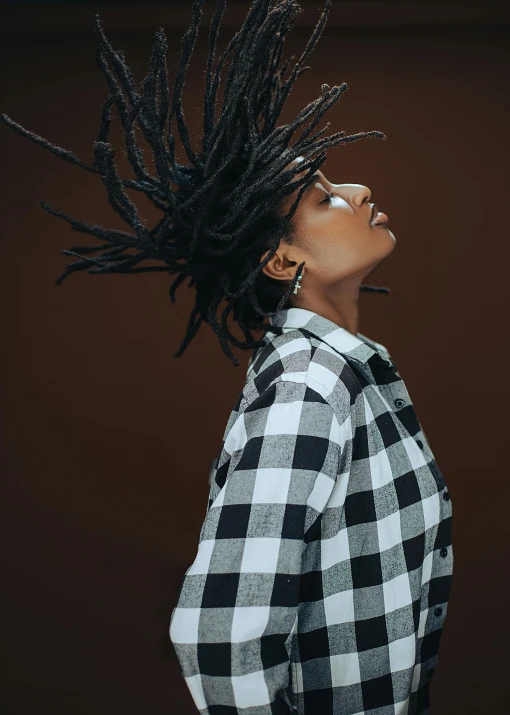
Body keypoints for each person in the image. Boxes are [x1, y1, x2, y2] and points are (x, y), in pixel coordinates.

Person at [1, 1, 453, 713]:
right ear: (281, 256)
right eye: (322, 196)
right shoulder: (308, 389)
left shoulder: (351, 372)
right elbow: (222, 639)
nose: (358, 190)